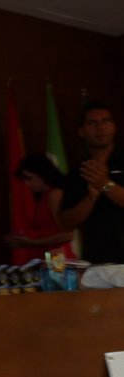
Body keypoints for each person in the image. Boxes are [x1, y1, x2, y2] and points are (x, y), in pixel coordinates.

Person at [57, 103, 124, 263]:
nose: (100, 128)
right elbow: (66, 223)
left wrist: (105, 184)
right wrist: (90, 198)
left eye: (106, 121)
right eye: (92, 123)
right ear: (81, 131)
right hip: (95, 261)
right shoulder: (78, 171)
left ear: (114, 127)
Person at [4, 152, 75, 263]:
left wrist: (31, 242)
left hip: (56, 257)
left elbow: (67, 235)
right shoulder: (43, 196)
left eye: (30, 178)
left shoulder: (55, 195)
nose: (27, 184)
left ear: (43, 174)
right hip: (46, 257)